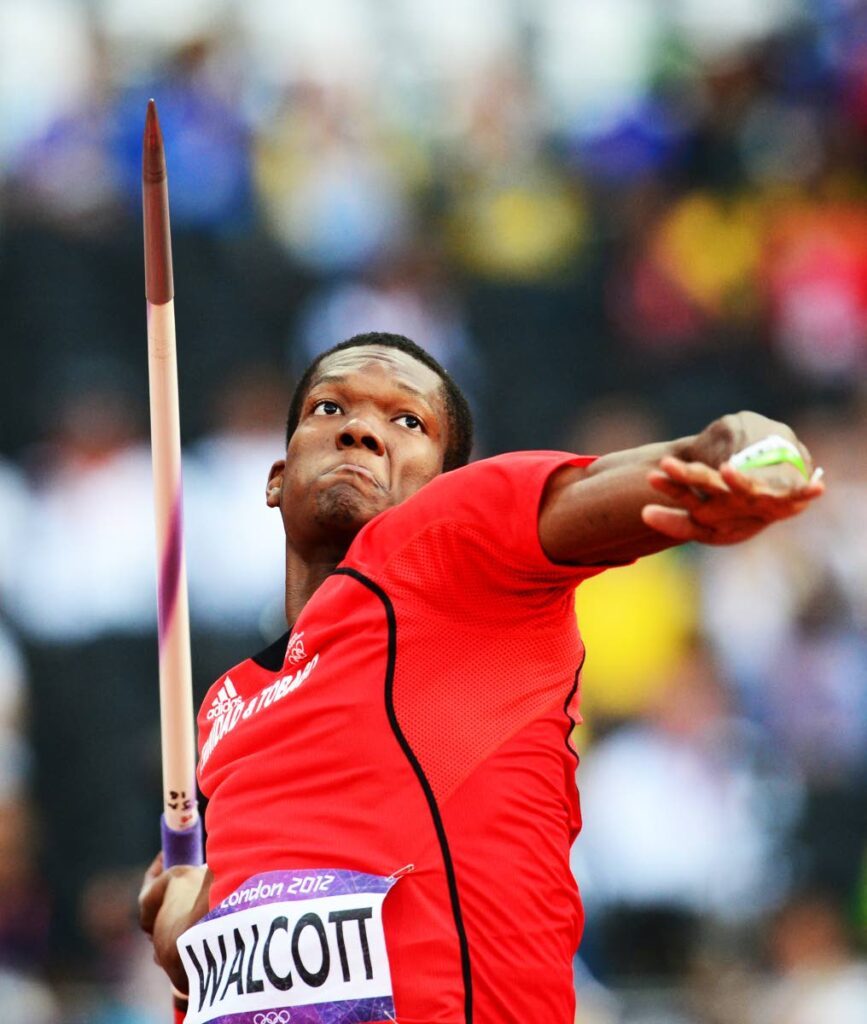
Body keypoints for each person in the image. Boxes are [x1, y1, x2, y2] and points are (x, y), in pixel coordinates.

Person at [139, 331, 824, 1024]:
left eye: (407, 421)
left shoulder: (445, 546)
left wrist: (737, 453)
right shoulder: (227, 703)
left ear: (442, 485)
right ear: (277, 476)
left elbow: (617, 482)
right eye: (327, 409)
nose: (360, 431)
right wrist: (184, 923)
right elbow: (259, 928)